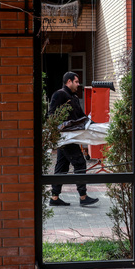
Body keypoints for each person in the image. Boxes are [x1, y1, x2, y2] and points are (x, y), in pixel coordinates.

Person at [48, 72, 99, 207]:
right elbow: (51, 115)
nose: (78, 84)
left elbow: (81, 116)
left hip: (70, 137)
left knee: (61, 167)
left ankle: (54, 198)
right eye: (76, 82)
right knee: (80, 163)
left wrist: (94, 125)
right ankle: (83, 197)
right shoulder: (59, 95)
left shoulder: (74, 97)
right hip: (65, 137)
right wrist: (62, 127)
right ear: (68, 82)